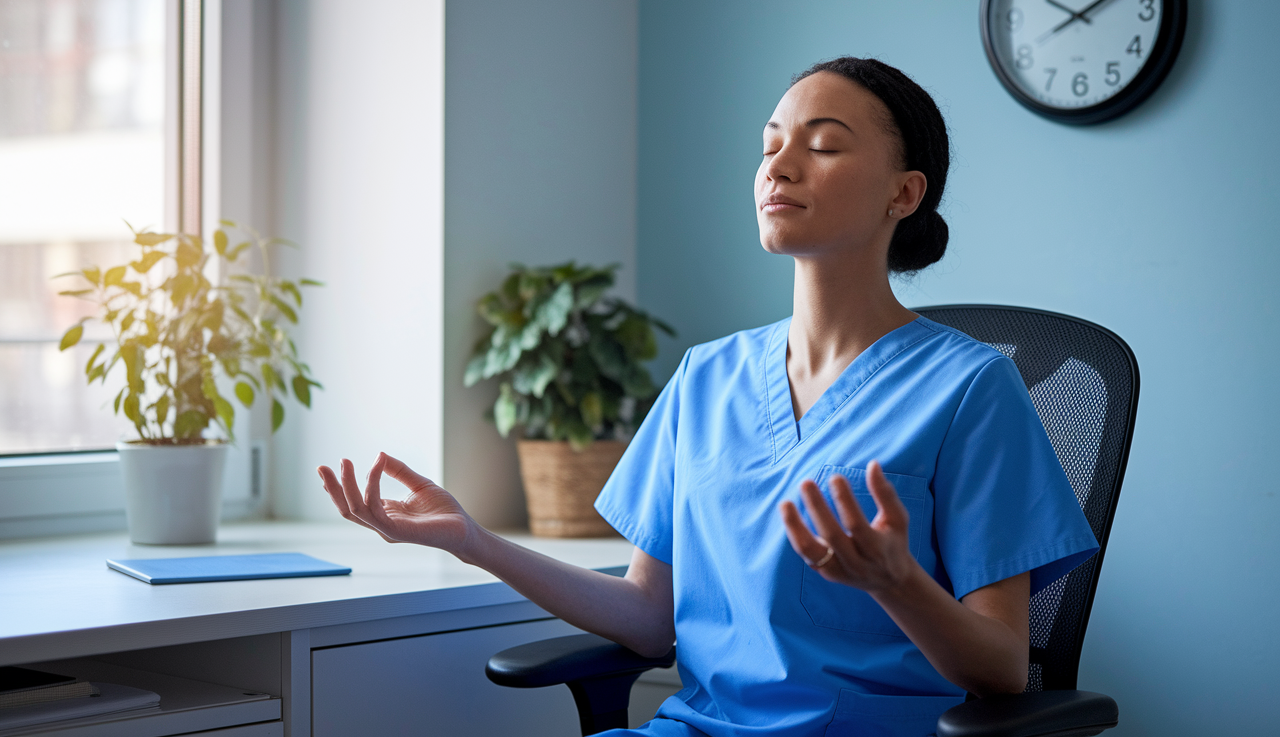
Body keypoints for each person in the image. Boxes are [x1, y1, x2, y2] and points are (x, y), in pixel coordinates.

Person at [318, 56, 1098, 737]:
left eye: (822, 145)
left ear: (904, 194)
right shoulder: (707, 377)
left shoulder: (969, 388)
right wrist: (473, 542)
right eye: (769, 147)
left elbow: (1000, 669)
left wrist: (897, 583)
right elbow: (649, 617)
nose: (779, 166)